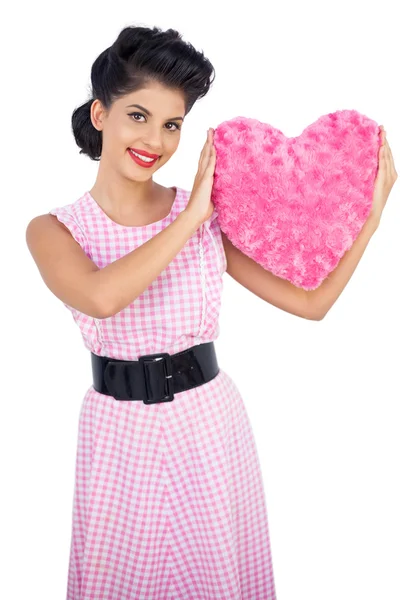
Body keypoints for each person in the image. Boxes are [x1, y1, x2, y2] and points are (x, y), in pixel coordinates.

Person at [25, 24, 278, 599]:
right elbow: (101, 296)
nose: (156, 139)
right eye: (137, 115)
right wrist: (191, 216)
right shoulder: (53, 229)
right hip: (117, 432)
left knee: (216, 579)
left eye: (172, 124)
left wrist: (376, 208)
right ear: (100, 115)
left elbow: (312, 305)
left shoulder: (207, 217)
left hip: (208, 420)